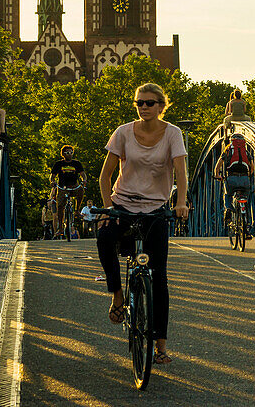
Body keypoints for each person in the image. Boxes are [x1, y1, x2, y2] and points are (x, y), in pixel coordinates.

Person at [96, 83, 189, 366]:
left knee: (159, 277)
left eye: (150, 103)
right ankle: (117, 294)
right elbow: (105, 176)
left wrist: (181, 203)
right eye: (140, 103)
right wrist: (109, 207)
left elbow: (181, 174)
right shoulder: (123, 132)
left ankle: (160, 345)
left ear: (162, 105)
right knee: (104, 237)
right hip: (123, 204)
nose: (144, 107)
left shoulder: (173, 134)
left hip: (155, 209)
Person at [215, 133, 255, 232]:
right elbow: (252, 167)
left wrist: (217, 175)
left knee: (228, 194)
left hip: (231, 178)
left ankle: (228, 209)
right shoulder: (246, 151)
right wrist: (248, 175)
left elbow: (218, 164)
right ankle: (247, 225)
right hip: (245, 180)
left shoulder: (228, 149)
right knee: (246, 201)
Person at [51, 145, 86, 238]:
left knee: (81, 190)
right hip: (62, 187)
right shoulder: (58, 164)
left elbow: (83, 174)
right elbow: (52, 176)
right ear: (63, 154)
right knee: (60, 206)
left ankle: (77, 210)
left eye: (71, 152)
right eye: (67, 153)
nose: (69, 155)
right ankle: (61, 228)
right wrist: (52, 181)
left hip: (74, 186)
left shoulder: (76, 163)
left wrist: (84, 180)